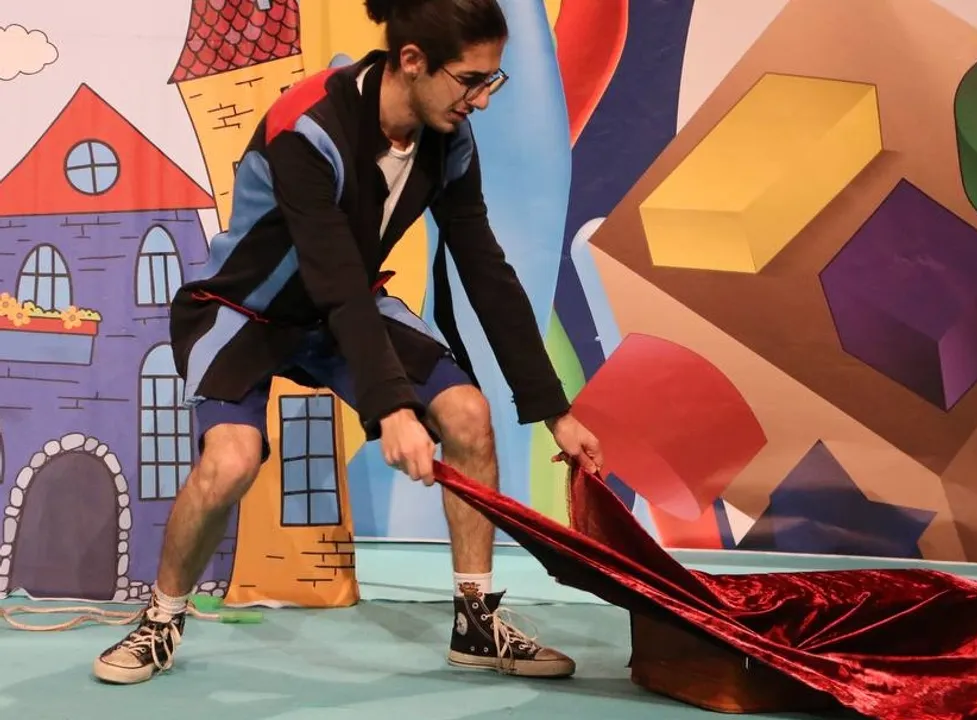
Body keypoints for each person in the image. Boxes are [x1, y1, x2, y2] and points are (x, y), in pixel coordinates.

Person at [92, 0, 602, 685]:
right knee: (231, 461)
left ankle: (476, 624)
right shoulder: (308, 127)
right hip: (246, 313)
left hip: (344, 307)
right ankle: (161, 619)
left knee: (467, 417)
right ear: (412, 61)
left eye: (491, 81)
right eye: (470, 80)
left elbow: (485, 271)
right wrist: (392, 409)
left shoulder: (448, 138)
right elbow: (332, 275)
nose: (481, 99)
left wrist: (554, 411)